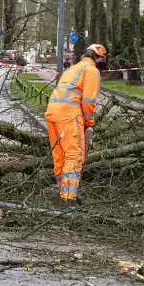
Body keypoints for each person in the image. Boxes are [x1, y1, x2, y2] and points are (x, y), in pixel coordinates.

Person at [45, 43, 106, 204]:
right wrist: (89, 123)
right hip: (69, 114)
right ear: (99, 60)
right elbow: (88, 100)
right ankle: (68, 198)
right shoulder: (91, 70)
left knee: (60, 156)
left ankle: (62, 192)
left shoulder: (71, 69)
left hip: (52, 112)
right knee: (74, 155)